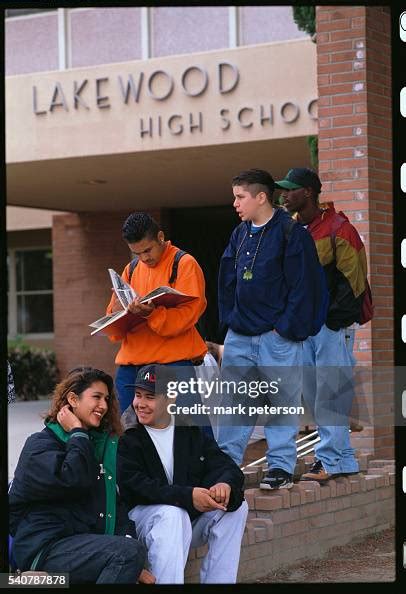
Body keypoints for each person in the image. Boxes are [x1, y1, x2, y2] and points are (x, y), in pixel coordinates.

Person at [217, 168, 328, 490]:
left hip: (276, 338)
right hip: (239, 334)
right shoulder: (239, 233)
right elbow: (226, 277)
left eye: (240, 197)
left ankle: (280, 466)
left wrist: (284, 330)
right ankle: (227, 467)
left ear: (261, 197)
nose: (235, 204)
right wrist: (230, 320)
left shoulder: (292, 233)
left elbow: (305, 287)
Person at [8, 367, 153, 584]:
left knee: (130, 552)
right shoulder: (39, 445)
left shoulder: (97, 447)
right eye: (96, 397)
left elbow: (115, 505)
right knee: (127, 552)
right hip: (44, 550)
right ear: (73, 399)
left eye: (106, 398)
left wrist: (132, 559)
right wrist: (77, 432)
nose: (103, 406)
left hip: (80, 547)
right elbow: (73, 480)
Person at [275, 167, 368, 481]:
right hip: (306, 328)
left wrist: (330, 322)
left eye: (290, 190)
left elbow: (354, 283)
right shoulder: (292, 229)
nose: (284, 195)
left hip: (330, 326)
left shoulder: (339, 227)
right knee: (320, 396)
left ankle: (327, 460)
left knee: (330, 392)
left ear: (308, 193)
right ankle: (343, 460)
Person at [117, 364, 248, 584]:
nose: (140, 404)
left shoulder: (188, 430)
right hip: (139, 521)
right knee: (172, 514)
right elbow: (136, 487)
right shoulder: (127, 436)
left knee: (236, 507)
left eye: (150, 397)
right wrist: (188, 496)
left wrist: (223, 485)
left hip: (184, 519)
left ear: (171, 398)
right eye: (138, 395)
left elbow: (225, 465)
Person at [106, 212, 208, 414]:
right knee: (125, 433)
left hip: (174, 362)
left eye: (147, 250)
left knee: (189, 432)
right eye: (137, 253)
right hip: (131, 364)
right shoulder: (132, 268)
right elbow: (113, 328)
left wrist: (151, 314)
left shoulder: (184, 263)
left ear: (161, 237)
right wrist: (116, 311)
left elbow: (189, 314)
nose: (144, 258)